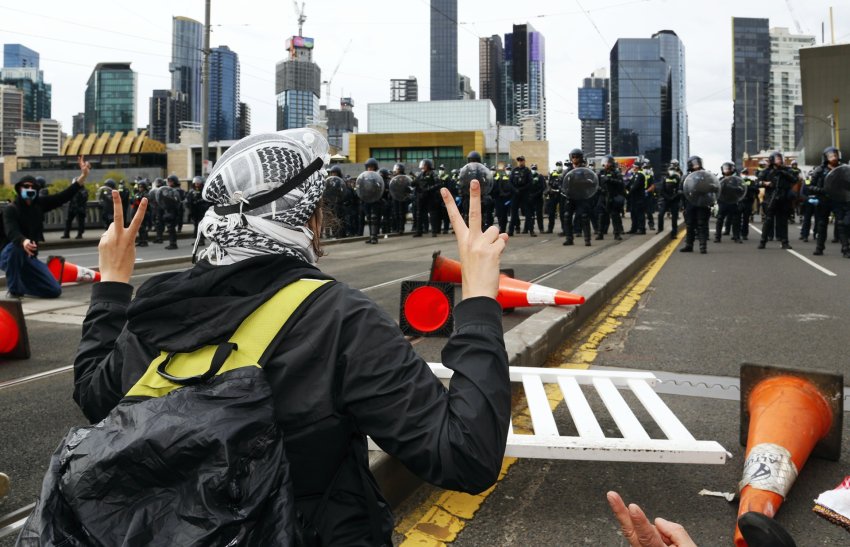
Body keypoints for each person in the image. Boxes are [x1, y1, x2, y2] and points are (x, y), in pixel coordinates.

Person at [67, 130, 511, 545]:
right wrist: (477, 302)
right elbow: (465, 455)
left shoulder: (159, 307)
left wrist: (112, 284)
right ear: (307, 218)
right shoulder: (339, 317)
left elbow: (95, 397)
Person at [0, 157, 90, 298]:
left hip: (29, 256)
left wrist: (83, 177)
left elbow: (62, 197)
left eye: (33, 187)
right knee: (16, 247)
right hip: (8, 254)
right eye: (26, 186)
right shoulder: (11, 209)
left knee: (54, 290)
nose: (30, 190)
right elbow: (12, 231)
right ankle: (14, 291)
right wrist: (23, 241)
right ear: (19, 189)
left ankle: (22, 287)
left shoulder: (39, 205)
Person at [809, 146, 848, 257]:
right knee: (822, 224)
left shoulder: (843, 169)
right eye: (831, 155)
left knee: (841, 224)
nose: (834, 157)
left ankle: (846, 249)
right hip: (824, 200)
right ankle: (819, 248)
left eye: (835, 155)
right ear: (826, 157)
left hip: (838, 200)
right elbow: (810, 186)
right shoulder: (819, 170)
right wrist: (822, 190)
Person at [757, 151, 795, 250]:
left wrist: (783, 173)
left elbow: (794, 179)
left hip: (784, 198)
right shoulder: (767, 171)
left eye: (781, 158)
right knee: (768, 220)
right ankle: (763, 241)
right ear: (772, 160)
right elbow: (757, 182)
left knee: (783, 221)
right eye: (778, 158)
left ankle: (784, 242)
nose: (780, 160)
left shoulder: (787, 170)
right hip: (771, 197)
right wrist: (766, 183)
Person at [680, 156, 711, 254]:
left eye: (697, 163)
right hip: (690, 203)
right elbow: (681, 189)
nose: (696, 165)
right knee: (689, 225)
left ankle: (703, 246)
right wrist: (682, 205)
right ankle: (689, 245)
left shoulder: (705, 175)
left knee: (701, 224)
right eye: (694, 163)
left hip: (702, 203)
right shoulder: (686, 177)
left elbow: (711, 188)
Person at [597, 155, 626, 241]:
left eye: (608, 162)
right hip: (603, 196)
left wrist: (610, 180)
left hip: (613, 196)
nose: (606, 164)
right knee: (601, 215)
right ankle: (600, 234)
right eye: (605, 162)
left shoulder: (616, 173)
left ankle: (617, 234)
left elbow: (621, 183)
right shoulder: (601, 172)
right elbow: (596, 184)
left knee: (615, 215)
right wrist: (600, 189)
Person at [715, 162, 743, 244]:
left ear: (732, 169)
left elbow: (741, 189)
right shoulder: (720, 180)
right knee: (720, 219)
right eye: (725, 168)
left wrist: (732, 187)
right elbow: (717, 190)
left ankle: (736, 237)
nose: (726, 169)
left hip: (733, 202)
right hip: (723, 202)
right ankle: (717, 237)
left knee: (736, 220)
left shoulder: (736, 180)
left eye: (728, 168)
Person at [508, 156, 533, 237]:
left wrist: (521, 189)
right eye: (518, 160)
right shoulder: (514, 170)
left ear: (524, 161)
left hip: (524, 194)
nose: (520, 162)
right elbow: (510, 182)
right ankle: (510, 231)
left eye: (521, 160)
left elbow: (530, 183)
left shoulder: (527, 171)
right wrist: (515, 190)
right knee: (513, 213)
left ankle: (531, 231)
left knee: (528, 213)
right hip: (515, 194)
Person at [657, 161, 682, 239]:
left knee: (674, 217)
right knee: (660, 214)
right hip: (666, 199)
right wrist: (667, 197)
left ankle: (674, 233)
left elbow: (679, 189)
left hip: (674, 200)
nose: (671, 171)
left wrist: (673, 197)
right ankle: (660, 229)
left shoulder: (677, 178)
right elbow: (662, 190)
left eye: (672, 170)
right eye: (670, 170)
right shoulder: (665, 178)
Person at [185, 176, 211, 244]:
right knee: (196, 225)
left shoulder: (204, 191)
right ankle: (197, 238)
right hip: (194, 211)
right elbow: (188, 199)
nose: (196, 185)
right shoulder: (192, 191)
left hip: (202, 211)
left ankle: (201, 240)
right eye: (195, 183)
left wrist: (199, 201)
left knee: (201, 225)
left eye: (198, 183)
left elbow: (207, 200)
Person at [545, 161, 565, 234]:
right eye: (557, 165)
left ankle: (564, 229)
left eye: (559, 165)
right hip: (553, 195)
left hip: (561, 195)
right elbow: (549, 184)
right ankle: (550, 229)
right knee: (551, 213)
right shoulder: (552, 173)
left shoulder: (564, 173)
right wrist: (549, 190)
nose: (558, 166)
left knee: (562, 213)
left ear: (562, 166)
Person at [529, 164, 545, 235]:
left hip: (538, 198)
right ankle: (530, 229)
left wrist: (536, 194)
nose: (534, 170)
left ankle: (541, 229)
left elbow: (543, 187)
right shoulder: (528, 176)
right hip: (530, 198)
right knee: (530, 214)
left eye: (535, 168)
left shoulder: (540, 176)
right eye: (533, 168)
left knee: (539, 214)